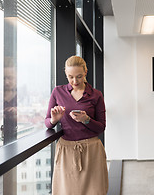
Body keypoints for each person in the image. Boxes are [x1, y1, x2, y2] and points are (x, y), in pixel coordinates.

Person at [45, 55, 108, 195]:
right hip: (66, 151)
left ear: (86, 72)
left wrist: (86, 120)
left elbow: (101, 127)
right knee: (66, 191)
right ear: (65, 74)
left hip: (92, 149)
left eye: (79, 76)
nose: (75, 81)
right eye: (70, 77)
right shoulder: (58, 92)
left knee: (95, 191)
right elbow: (47, 123)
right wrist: (55, 119)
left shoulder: (96, 95)